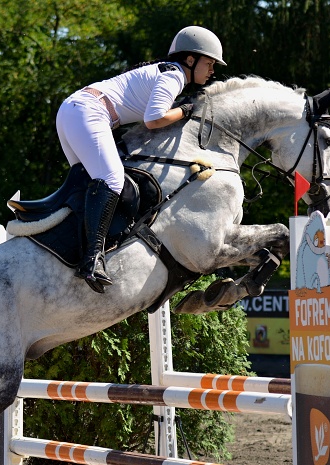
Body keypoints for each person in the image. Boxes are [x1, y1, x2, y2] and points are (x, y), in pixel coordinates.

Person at [56, 25, 226, 293]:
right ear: (190, 60)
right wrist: (184, 110)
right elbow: (154, 119)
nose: (213, 70)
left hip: (73, 110)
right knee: (111, 179)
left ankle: (71, 249)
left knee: (89, 185)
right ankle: (91, 261)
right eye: (209, 63)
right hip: (89, 112)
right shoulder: (174, 76)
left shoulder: (167, 72)